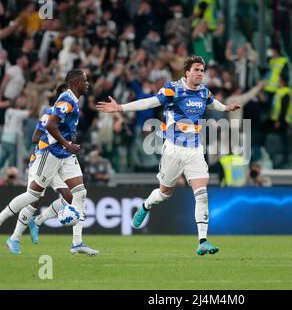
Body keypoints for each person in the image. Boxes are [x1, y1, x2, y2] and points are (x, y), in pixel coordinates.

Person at [97, 55, 240, 255]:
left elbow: (212, 103)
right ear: (187, 72)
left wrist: (226, 108)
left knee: (202, 194)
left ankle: (203, 241)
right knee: (164, 194)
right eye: (197, 70)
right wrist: (121, 107)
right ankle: (145, 206)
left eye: (202, 70)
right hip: (173, 149)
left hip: (195, 150)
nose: (200, 73)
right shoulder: (173, 89)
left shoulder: (204, 92)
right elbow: (149, 103)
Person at [0, 70, 99, 256]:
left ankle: (77, 243)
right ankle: (5, 222)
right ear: (76, 82)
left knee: (79, 193)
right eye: (85, 81)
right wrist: (67, 143)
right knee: (33, 196)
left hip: (65, 154)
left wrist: (68, 142)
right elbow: (50, 125)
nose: (88, 84)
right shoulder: (67, 100)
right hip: (51, 152)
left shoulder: (74, 101)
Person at [5, 84, 74, 254]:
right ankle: (14, 237)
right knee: (34, 198)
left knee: (68, 197)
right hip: (41, 159)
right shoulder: (50, 114)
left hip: (56, 162)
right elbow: (35, 137)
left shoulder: (69, 117)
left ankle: (37, 221)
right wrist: (55, 138)